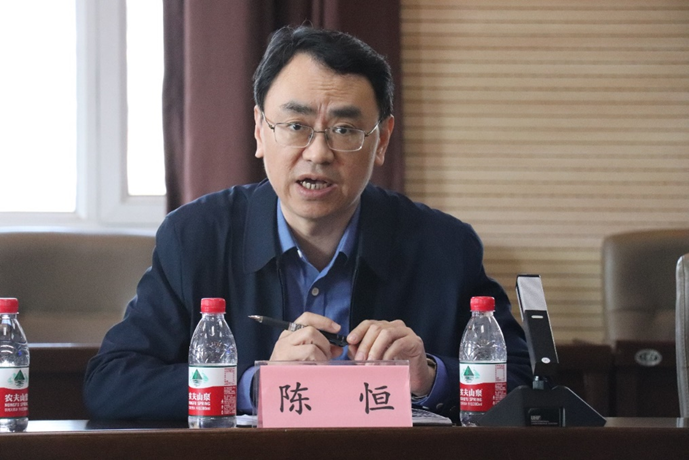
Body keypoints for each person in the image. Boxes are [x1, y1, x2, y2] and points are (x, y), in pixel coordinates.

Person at [83, 25, 532, 422]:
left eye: (344, 130)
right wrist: (255, 386)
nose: (318, 153)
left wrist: (430, 376)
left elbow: (524, 382)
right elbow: (112, 382)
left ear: (381, 141)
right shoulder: (196, 237)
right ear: (260, 130)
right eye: (296, 126)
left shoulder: (445, 246)